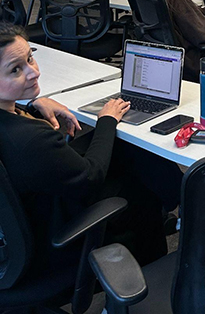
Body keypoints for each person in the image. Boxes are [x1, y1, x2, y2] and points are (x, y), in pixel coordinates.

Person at [0, 23, 183, 269]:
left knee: (126, 147)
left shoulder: (12, 120)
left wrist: (31, 106)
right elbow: (91, 176)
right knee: (137, 182)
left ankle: (180, 205)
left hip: (25, 216)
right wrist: (106, 120)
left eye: (30, 58)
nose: (33, 72)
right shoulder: (29, 139)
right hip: (54, 235)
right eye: (15, 70)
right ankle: (147, 278)